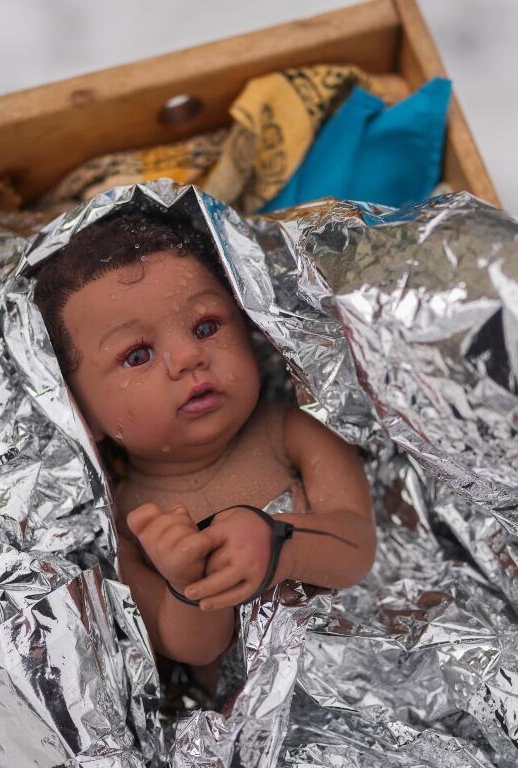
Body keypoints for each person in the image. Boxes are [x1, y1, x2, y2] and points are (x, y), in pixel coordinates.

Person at [33, 210, 376, 703]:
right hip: (257, 709)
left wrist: (281, 544)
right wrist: (186, 585)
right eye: (137, 355)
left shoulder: (289, 431)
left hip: (355, 665)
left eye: (206, 325)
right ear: (81, 415)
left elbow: (357, 546)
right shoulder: (130, 520)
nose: (189, 357)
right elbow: (194, 649)